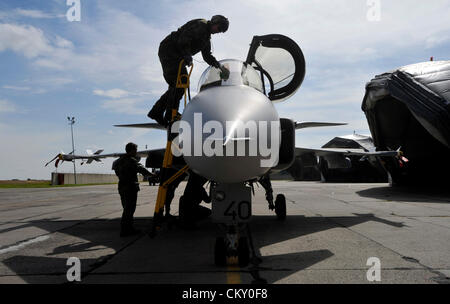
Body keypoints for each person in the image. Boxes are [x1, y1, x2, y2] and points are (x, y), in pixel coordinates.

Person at [148, 15, 230, 127]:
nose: (218, 31)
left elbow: (207, 56)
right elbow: (184, 38)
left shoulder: (206, 38)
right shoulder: (200, 25)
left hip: (177, 55)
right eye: (219, 28)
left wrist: (219, 66)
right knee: (180, 82)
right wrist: (186, 54)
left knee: (178, 84)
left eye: (220, 31)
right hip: (170, 51)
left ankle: (158, 112)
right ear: (214, 22)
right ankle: (170, 113)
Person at [112, 142, 153, 237]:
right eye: (135, 150)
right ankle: (125, 230)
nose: (136, 152)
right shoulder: (132, 161)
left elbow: (116, 170)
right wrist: (153, 175)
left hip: (122, 186)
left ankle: (128, 228)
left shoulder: (118, 161)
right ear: (132, 150)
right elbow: (143, 170)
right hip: (130, 187)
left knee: (126, 208)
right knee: (129, 210)